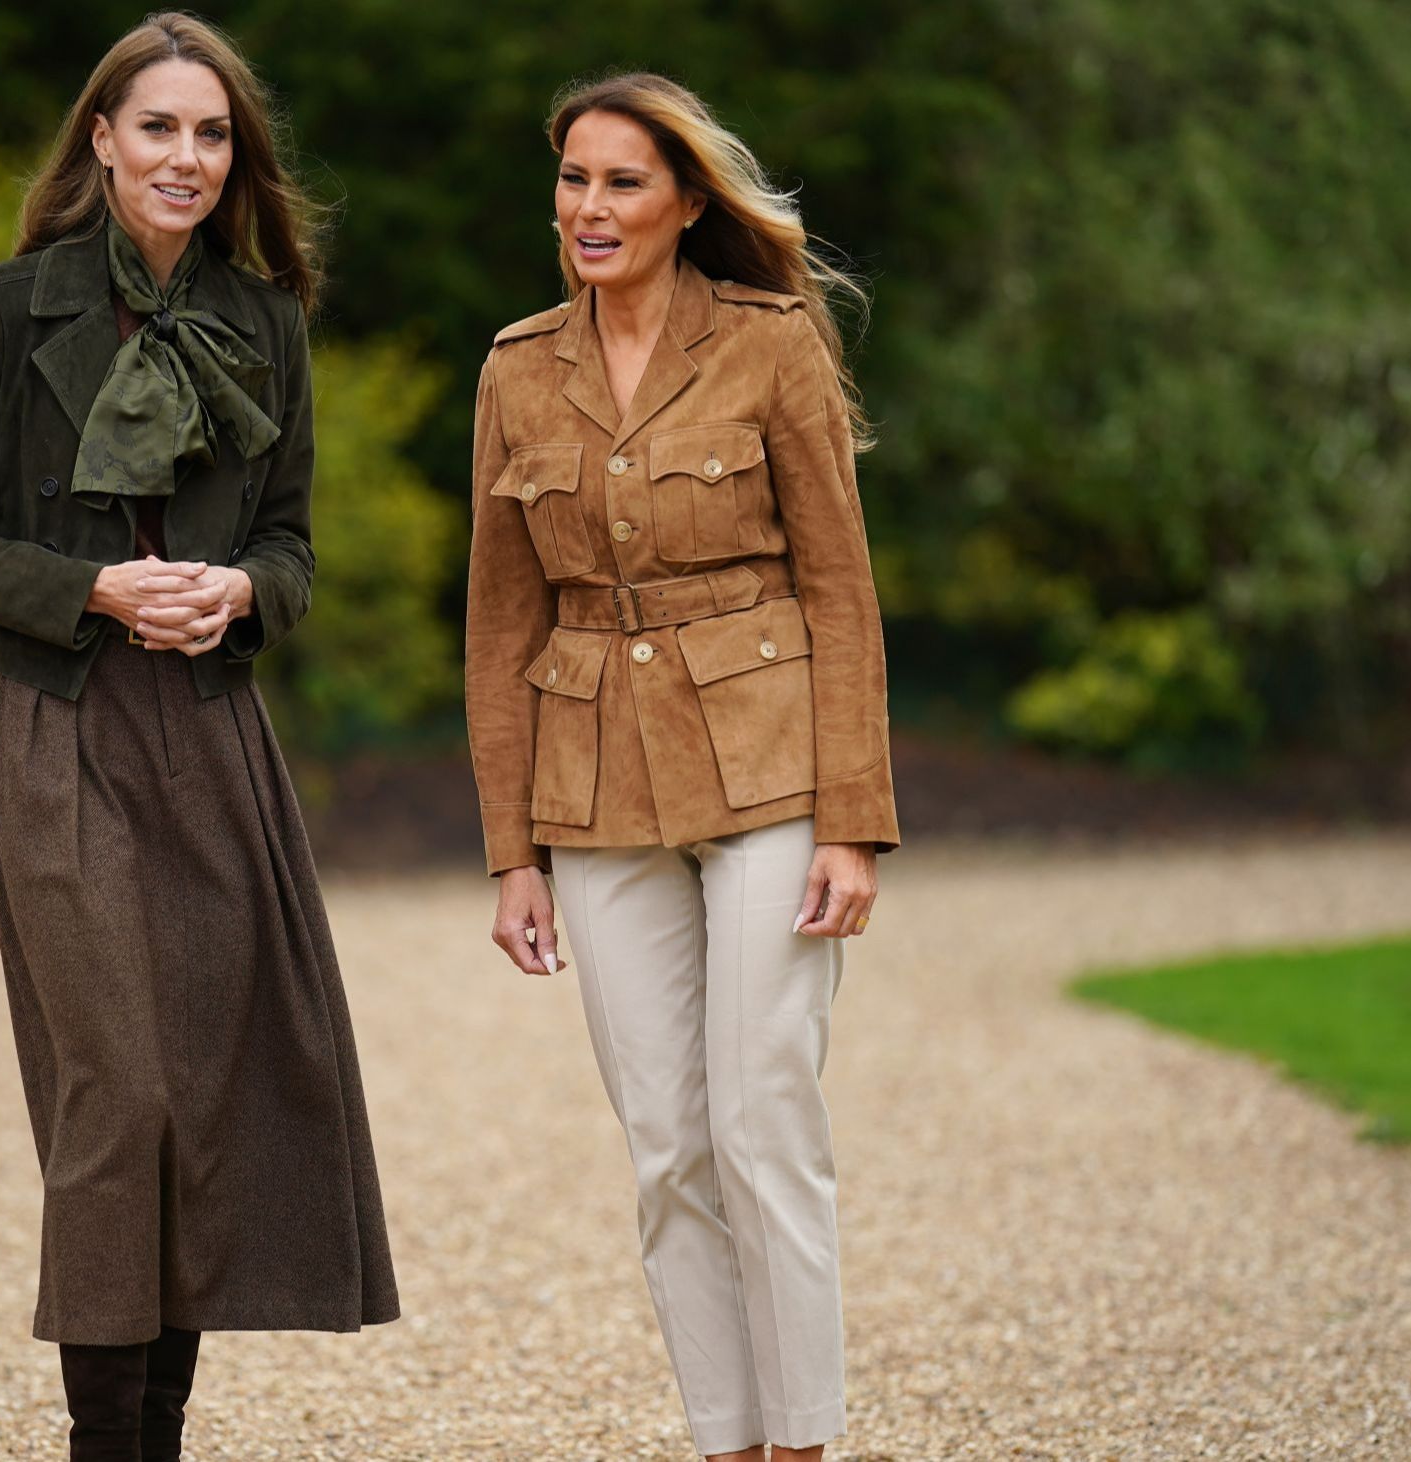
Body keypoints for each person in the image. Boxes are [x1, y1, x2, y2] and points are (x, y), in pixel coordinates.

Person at [0, 14, 398, 1458]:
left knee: (206, 1104)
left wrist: (239, 590)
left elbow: (294, 546)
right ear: (101, 140)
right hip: (60, 729)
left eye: (213, 133)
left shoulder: (268, 321)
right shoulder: (2, 312)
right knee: (119, 1093)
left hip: (214, 738)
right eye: (160, 127)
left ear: (237, 159)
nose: (187, 155)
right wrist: (91, 589)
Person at [462, 72, 899, 1462]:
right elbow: (498, 621)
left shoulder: (771, 345)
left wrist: (854, 821)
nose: (589, 208)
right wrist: (510, 851)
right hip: (593, 787)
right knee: (666, 1147)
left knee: (764, 1113)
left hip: (773, 767)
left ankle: (806, 1445)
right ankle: (727, 1442)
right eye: (574, 181)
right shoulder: (517, 366)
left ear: (687, 201)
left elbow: (841, 587)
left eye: (622, 183)